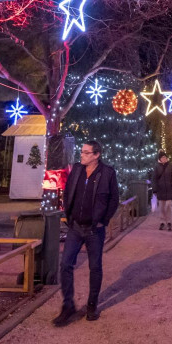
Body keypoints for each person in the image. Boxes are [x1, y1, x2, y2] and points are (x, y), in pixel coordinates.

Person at [53, 140, 119, 326]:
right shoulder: (77, 170)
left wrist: (102, 221)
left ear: (96, 155)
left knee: (95, 267)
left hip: (94, 229)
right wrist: (69, 215)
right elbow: (67, 193)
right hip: (75, 227)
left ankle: (92, 305)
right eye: (81, 152)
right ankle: (68, 306)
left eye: (85, 152)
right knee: (65, 264)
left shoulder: (107, 173)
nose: (81, 155)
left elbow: (114, 199)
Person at [152, 150, 172, 231]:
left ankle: (169, 221)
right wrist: (155, 189)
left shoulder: (171, 166)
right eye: (162, 157)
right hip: (161, 189)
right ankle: (162, 222)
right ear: (160, 158)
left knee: (168, 205)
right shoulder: (157, 167)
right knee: (162, 207)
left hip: (169, 189)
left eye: (165, 157)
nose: (164, 159)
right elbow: (154, 178)